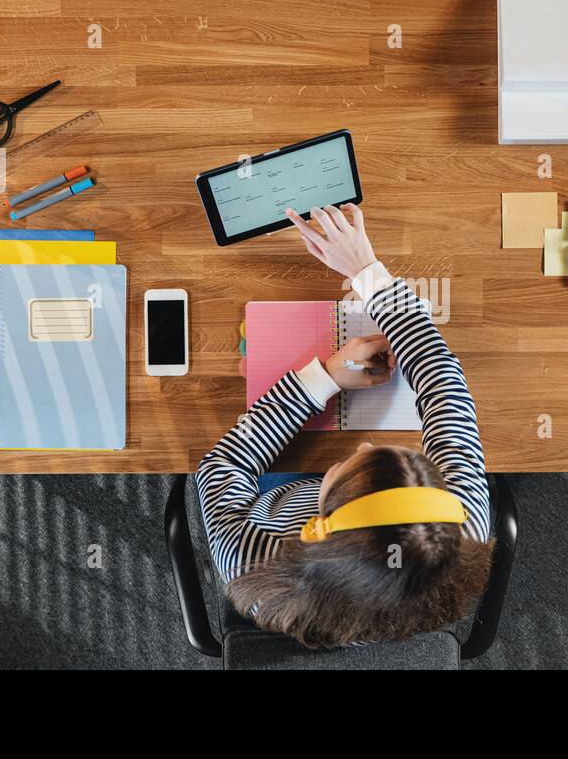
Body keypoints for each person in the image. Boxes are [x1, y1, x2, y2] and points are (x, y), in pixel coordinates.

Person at [195, 203, 493, 648]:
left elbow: (221, 468)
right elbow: (444, 385)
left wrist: (326, 377)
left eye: (353, 464)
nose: (364, 443)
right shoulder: (455, 526)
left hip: (278, 494)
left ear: (322, 522)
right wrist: (367, 272)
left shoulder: (250, 562)